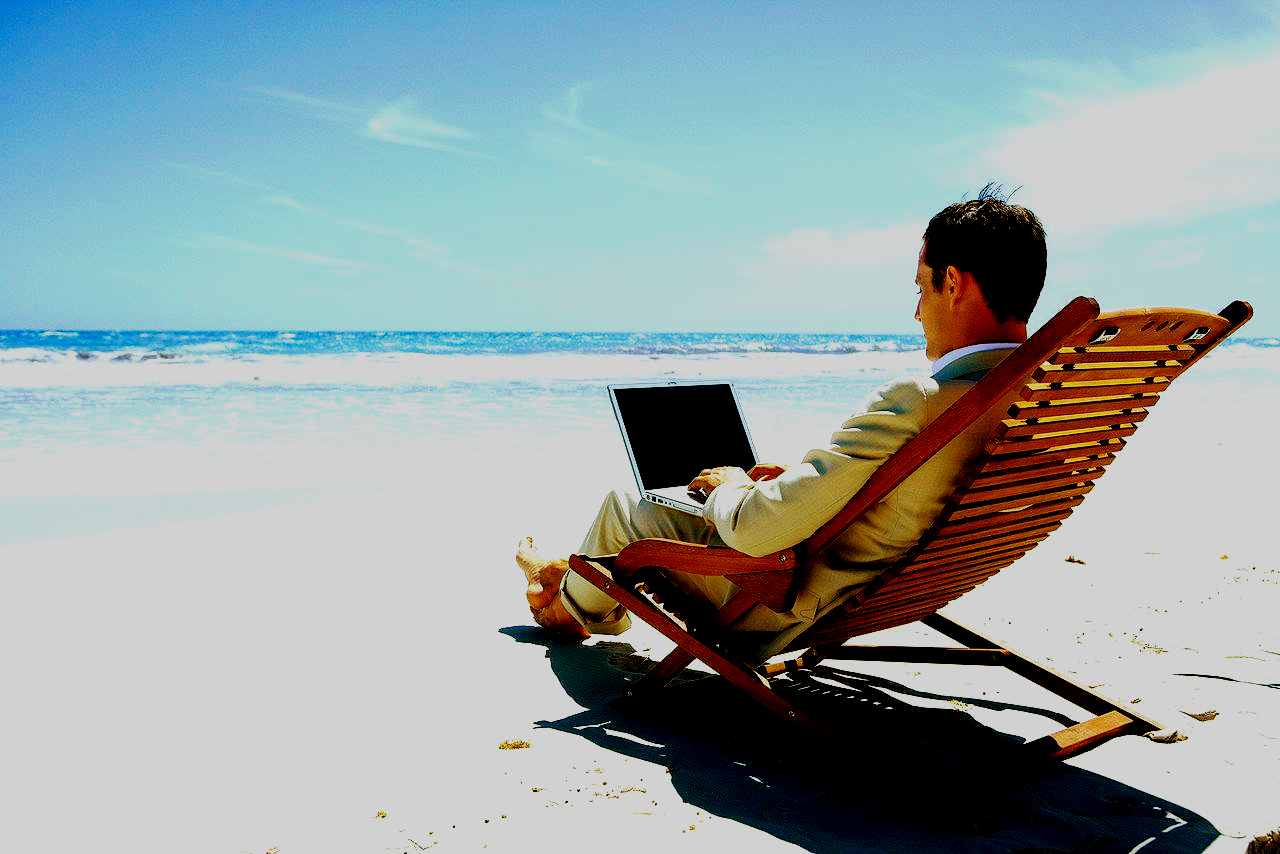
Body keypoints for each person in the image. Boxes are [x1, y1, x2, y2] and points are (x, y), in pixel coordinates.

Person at [518, 185, 1047, 664]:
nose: (916, 313)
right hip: (894, 582)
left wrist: (732, 488)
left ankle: (560, 602)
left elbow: (756, 532)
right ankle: (565, 580)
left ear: (952, 283)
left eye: (920, 291)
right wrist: (804, 480)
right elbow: (910, 494)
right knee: (682, 506)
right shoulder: (1038, 396)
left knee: (628, 508)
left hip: (784, 604)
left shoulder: (921, 401)